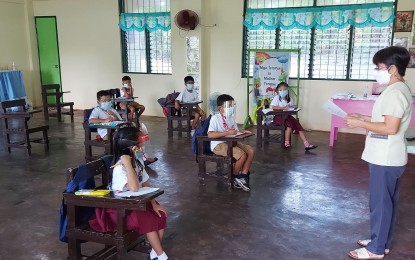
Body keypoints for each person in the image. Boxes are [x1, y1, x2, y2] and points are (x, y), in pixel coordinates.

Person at [345, 46, 412, 260]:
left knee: (380, 203)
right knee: (387, 201)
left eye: (379, 67)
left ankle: (375, 249)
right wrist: (363, 120)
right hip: (387, 155)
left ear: (392, 69)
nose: (376, 71)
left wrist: (357, 122)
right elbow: (387, 121)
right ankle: (382, 242)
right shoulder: (398, 89)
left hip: (385, 157)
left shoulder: (395, 92)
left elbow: (390, 128)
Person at [88, 126, 168, 260]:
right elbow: (135, 188)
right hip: (120, 210)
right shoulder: (120, 168)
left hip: (136, 203)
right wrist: (127, 164)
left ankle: (155, 251)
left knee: (161, 214)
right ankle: (161, 255)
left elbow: (145, 181)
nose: (142, 148)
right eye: (140, 145)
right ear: (132, 148)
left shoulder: (137, 160)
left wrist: (154, 204)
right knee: (148, 220)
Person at [207, 94, 255, 191]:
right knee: (242, 155)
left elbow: (234, 131)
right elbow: (210, 135)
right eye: (229, 106)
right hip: (219, 144)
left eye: (232, 105)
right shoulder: (215, 118)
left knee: (251, 150)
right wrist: (227, 133)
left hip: (230, 141)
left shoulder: (231, 117)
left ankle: (243, 175)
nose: (232, 108)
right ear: (220, 108)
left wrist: (241, 131)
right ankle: (234, 176)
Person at [270, 82, 317, 151]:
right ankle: (286, 143)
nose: (282, 91)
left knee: (298, 126)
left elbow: (291, 107)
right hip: (278, 117)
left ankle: (307, 144)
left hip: (288, 116)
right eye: (280, 90)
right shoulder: (277, 98)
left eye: (284, 89)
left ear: (287, 90)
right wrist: (283, 108)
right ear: (277, 91)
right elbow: (273, 107)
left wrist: (294, 107)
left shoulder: (290, 99)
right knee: (289, 125)